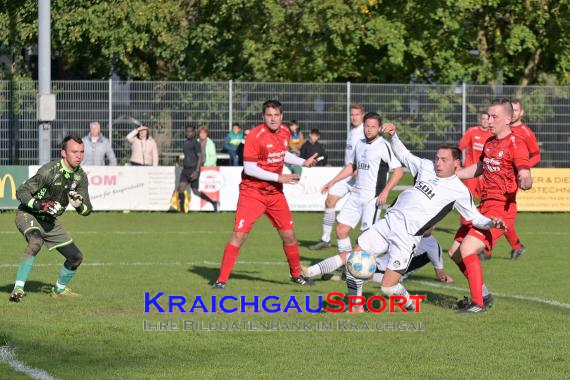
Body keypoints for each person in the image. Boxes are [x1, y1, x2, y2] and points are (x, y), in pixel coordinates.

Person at [343, 123, 507, 314]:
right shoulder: (425, 167)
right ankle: (356, 306)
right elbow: (404, 154)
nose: (438, 163)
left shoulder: (459, 191)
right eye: (437, 158)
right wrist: (394, 136)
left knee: (388, 287)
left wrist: (491, 222)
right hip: (388, 223)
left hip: (407, 238)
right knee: (355, 256)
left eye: (444, 160)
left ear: (456, 164)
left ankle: (408, 303)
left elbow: (476, 218)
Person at [212, 100, 319, 289]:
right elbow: (250, 169)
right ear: (263, 117)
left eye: (276, 115)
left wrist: (303, 162)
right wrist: (280, 177)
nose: (273, 119)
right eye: (269, 115)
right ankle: (221, 280)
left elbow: (282, 154)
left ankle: (296, 275)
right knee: (239, 235)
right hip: (252, 192)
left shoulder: (285, 132)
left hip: (275, 194)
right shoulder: (255, 136)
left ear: (282, 116)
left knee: (289, 236)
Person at [452, 98, 532, 312]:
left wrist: (525, 179)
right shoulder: (489, 142)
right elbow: (478, 168)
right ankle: (484, 295)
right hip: (483, 206)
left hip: (501, 210)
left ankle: (478, 303)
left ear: (508, 118)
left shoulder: (516, 143)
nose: (489, 120)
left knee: (468, 248)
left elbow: (524, 170)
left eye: (494, 116)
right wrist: (453, 175)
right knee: (455, 252)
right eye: (488, 116)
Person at [302, 112, 404, 279]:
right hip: (356, 194)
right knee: (341, 229)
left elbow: (398, 172)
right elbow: (353, 166)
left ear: (379, 128)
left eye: (373, 126)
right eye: (367, 126)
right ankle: (347, 269)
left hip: (372, 199)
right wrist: (333, 181)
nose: (369, 129)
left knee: (363, 244)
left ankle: (320, 270)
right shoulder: (360, 143)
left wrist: (385, 191)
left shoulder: (383, 145)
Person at [9, 135, 92, 302]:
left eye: (82, 152)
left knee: (76, 257)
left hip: (50, 221)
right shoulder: (49, 171)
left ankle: (59, 290)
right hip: (28, 213)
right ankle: (18, 288)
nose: (79, 156)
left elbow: (88, 209)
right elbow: (21, 192)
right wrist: (39, 205)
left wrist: (79, 206)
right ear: (63, 153)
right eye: (74, 152)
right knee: (35, 242)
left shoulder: (80, 177)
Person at [309, 104, 365, 250]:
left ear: (363, 115)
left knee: (364, 214)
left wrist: (359, 167)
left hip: (360, 177)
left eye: (357, 114)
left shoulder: (365, 131)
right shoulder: (353, 130)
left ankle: (364, 246)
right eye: (352, 114)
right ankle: (325, 239)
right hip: (347, 174)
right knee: (329, 201)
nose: (354, 117)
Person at [502, 99, 541, 259]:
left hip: (510, 180)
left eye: (516, 110)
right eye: (511, 110)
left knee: (500, 214)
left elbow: (536, 155)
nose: (513, 113)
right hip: (497, 176)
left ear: (521, 113)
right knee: (495, 213)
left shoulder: (526, 132)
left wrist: (522, 170)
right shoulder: (502, 128)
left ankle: (514, 246)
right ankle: (515, 246)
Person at [372, 227, 454, 284]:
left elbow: (439, 271)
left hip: (392, 273)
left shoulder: (434, 246)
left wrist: (444, 277)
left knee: (364, 276)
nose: (425, 226)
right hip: (377, 262)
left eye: (429, 225)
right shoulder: (410, 233)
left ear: (434, 227)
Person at [177, 126, 219, 212]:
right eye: (187, 131)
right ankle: (182, 210)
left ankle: (214, 203)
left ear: (193, 133)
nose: (188, 133)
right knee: (180, 188)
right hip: (185, 169)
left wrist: (196, 171)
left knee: (195, 191)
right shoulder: (185, 143)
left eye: (190, 132)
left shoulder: (196, 143)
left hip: (193, 169)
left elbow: (199, 157)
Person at [458, 112, 492, 199]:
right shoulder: (472, 131)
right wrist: (457, 164)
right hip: (471, 170)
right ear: (480, 120)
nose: (485, 121)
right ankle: (463, 213)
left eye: (486, 119)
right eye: (483, 119)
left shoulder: (492, 134)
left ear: (490, 121)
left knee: (486, 197)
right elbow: (461, 147)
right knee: (467, 197)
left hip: (484, 171)